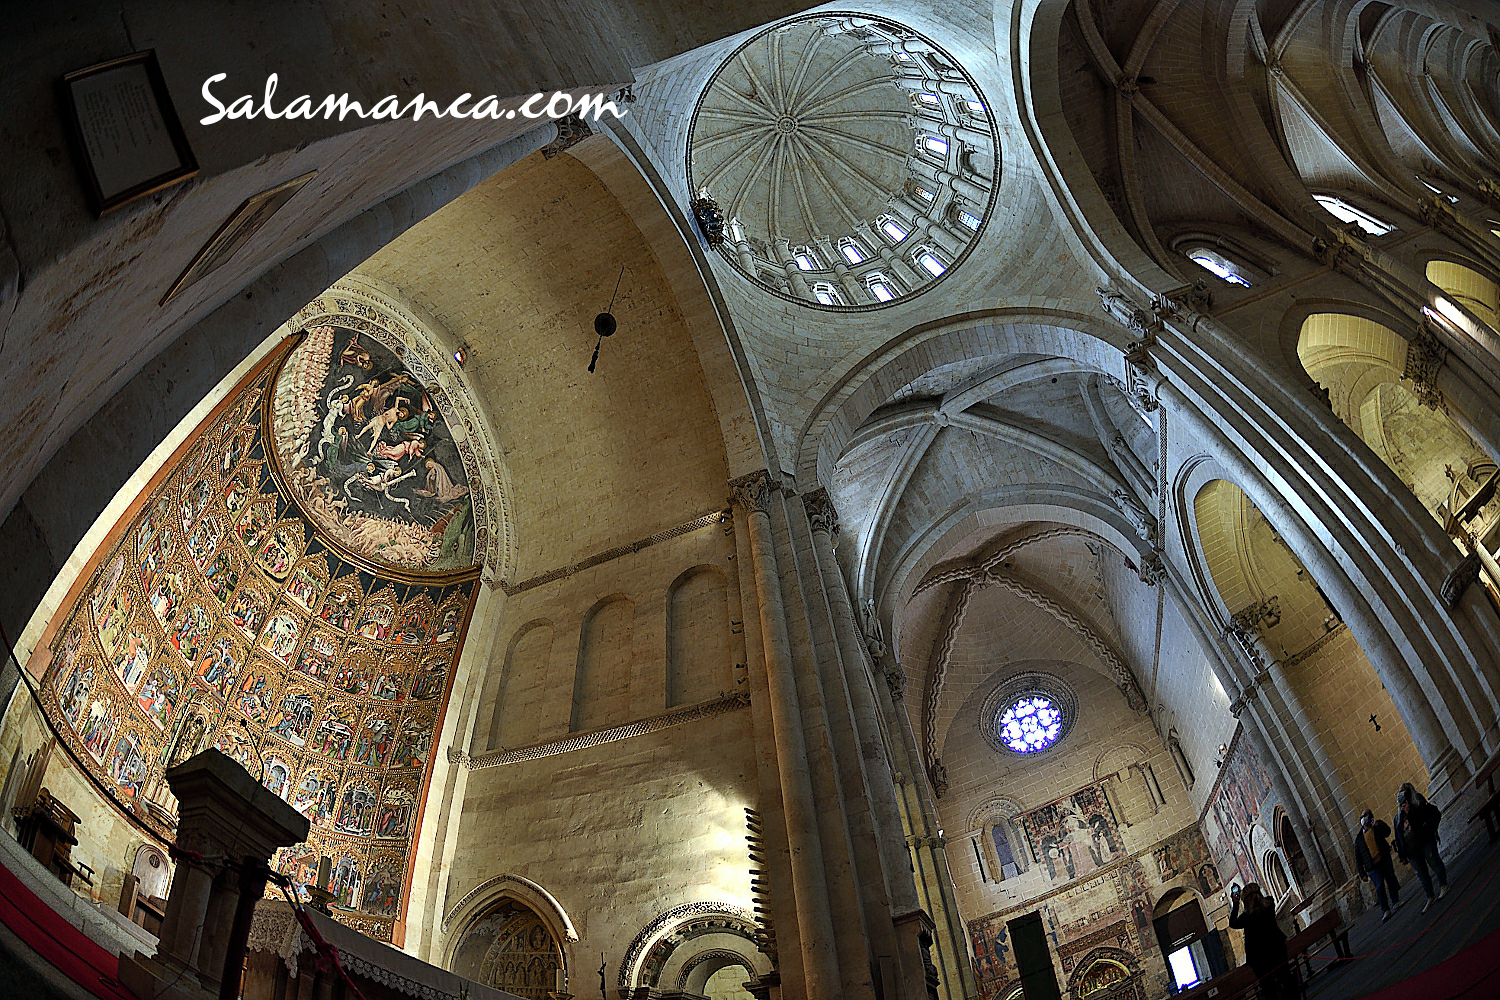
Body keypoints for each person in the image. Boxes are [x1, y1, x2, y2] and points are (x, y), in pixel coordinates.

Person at [1228, 883, 1291, 998]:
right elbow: (1264, 901)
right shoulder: (1270, 903)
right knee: (1287, 979)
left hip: (1259, 958)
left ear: (1244, 900)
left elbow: (1232, 923)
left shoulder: (1246, 917)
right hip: (1277, 948)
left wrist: (1235, 904)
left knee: (1269, 988)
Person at [1394, 786, 1447, 912]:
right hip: (1412, 850)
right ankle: (1430, 895)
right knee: (1422, 874)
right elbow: (1398, 833)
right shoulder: (1399, 815)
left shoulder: (1418, 803)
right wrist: (1402, 855)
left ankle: (1443, 884)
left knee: (1434, 862)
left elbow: (1423, 817)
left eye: (1403, 791)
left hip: (1424, 841)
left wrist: (1410, 812)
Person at [1354, 809, 1402, 920]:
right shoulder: (1359, 838)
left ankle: (1396, 901)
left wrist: (1378, 825)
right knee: (1379, 886)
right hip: (1372, 866)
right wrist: (1362, 873)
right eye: (1363, 816)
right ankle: (1385, 909)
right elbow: (1358, 857)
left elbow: (1387, 832)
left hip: (1384, 859)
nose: (1365, 817)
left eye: (1367, 815)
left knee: (1390, 879)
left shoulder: (1377, 826)